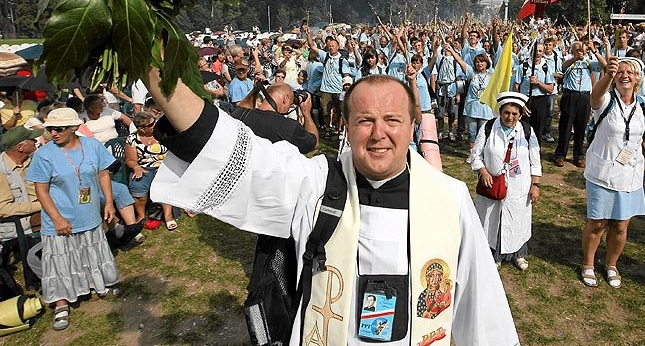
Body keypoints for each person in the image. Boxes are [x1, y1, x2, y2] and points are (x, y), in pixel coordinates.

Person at [145, 67, 519, 345]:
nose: (378, 134)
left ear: (412, 126)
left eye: (392, 120)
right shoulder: (314, 183)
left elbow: (483, 312)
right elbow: (226, 147)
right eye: (364, 121)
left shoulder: (449, 198)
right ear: (345, 126)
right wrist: (152, 67)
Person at [25, 108, 120, 331]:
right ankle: (61, 303)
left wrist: (108, 202)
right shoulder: (44, 154)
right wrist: (57, 218)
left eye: (59, 129)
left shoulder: (93, 146)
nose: (54, 133)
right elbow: (42, 191)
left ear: (74, 128)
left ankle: (99, 284)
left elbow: (103, 174)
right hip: (59, 218)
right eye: (50, 129)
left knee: (91, 249)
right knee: (60, 259)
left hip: (88, 212)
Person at [580, 56, 645, 289]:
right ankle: (588, 264)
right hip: (602, 172)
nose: (625, 75)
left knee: (621, 225)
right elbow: (594, 96)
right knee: (597, 223)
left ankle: (611, 264)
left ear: (638, 79)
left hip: (630, 175)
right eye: (620, 72)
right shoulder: (605, 99)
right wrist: (607, 74)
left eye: (630, 72)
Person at [472, 92, 541, 271]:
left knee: (517, 219)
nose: (510, 117)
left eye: (514, 114)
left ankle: (518, 253)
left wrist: (535, 185)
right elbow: (476, 155)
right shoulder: (488, 128)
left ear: (520, 114)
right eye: (506, 113)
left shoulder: (527, 131)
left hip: (519, 186)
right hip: (492, 185)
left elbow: (535, 159)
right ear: (500, 112)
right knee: (491, 220)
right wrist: (483, 171)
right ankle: (493, 254)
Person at [232, 81, 318, 153]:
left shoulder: (241, 114)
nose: (289, 107)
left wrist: (256, 89)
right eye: (290, 103)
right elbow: (314, 143)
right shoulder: (289, 127)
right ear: (285, 99)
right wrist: (307, 113)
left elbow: (242, 107)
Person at [555, 41, 602, 168]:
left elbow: (603, 66)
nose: (579, 52)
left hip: (584, 96)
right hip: (570, 95)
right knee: (565, 126)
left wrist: (594, 51)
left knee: (581, 127)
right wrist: (575, 58)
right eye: (576, 50)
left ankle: (578, 156)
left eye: (581, 50)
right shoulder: (568, 60)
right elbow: (563, 67)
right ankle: (560, 154)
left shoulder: (589, 62)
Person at [125, 111, 174, 230]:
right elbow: (130, 160)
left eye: (154, 122)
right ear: (141, 128)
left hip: (164, 166)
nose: (154, 125)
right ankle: (141, 216)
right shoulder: (132, 139)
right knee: (138, 186)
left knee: (165, 184)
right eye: (151, 125)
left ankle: (168, 215)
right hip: (144, 167)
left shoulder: (162, 134)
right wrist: (136, 167)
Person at [0, 127, 43, 244]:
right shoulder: (2, 170)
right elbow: (3, 209)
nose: (35, 141)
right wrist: (42, 205)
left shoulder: (33, 161)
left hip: (41, 211)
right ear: (20, 147)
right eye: (31, 139)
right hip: (23, 223)